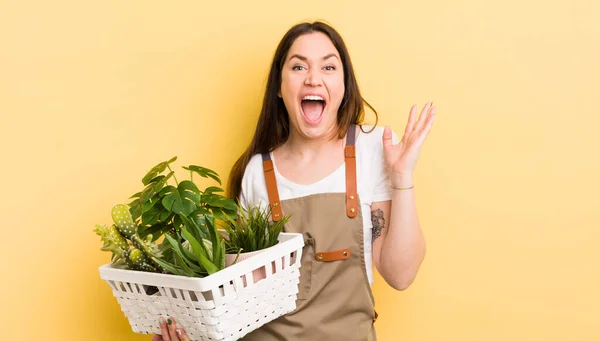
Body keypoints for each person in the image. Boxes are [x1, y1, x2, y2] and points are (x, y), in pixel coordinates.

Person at [153, 20, 436, 341]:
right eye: (299, 66)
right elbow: (242, 299)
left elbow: (401, 275)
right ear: (279, 85)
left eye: (329, 67)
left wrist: (402, 176)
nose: (314, 78)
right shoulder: (257, 172)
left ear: (344, 85)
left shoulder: (374, 148)